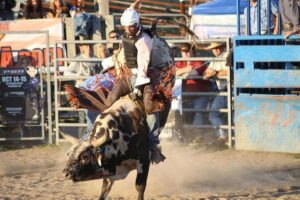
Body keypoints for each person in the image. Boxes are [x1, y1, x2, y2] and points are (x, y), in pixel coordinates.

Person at [120, 0, 175, 164]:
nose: (128, 29)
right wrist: (134, 6)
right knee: (111, 97)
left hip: (149, 76)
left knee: (150, 107)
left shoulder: (144, 41)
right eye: (126, 27)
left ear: (136, 25)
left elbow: (143, 67)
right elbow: (130, 11)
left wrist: (137, 88)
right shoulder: (133, 25)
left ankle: (153, 145)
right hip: (133, 73)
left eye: (131, 26)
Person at [64, 41, 100, 137]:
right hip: (81, 92)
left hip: (94, 92)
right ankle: (81, 141)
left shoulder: (96, 59)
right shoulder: (78, 60)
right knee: (83, 118)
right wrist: (78, 76)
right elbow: (66, 72)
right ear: (82, 48)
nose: (89, 48)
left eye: (91, 46)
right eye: (87, 46)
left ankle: (90, 139)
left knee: (93, 117)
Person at [175, 43, 210, 133]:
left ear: (192, 51)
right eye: (183, 52)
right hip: (185, 96)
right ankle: (189, 137)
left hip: (200, 94)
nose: (186, 54)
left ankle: (199, 137)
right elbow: (172, 73)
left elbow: (194, 74)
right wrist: (186, 69)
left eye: (187, 51)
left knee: (198, 115)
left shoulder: (198, 61)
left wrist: (180, 72)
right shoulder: (180, 62)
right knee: (185, 117)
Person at [203, 42, 229, 144]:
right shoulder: (214, 60)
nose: (216, 50)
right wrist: (209, 72)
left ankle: (227, 136)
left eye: (218, 47)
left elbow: (229, 71)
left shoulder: (227, 55)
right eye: (214, 48)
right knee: (213, 114)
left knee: (215, 114)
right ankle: (223, 136)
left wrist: (215, 73)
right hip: (223, 90)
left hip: (231, 88)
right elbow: (205, 74)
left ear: (222, 47)